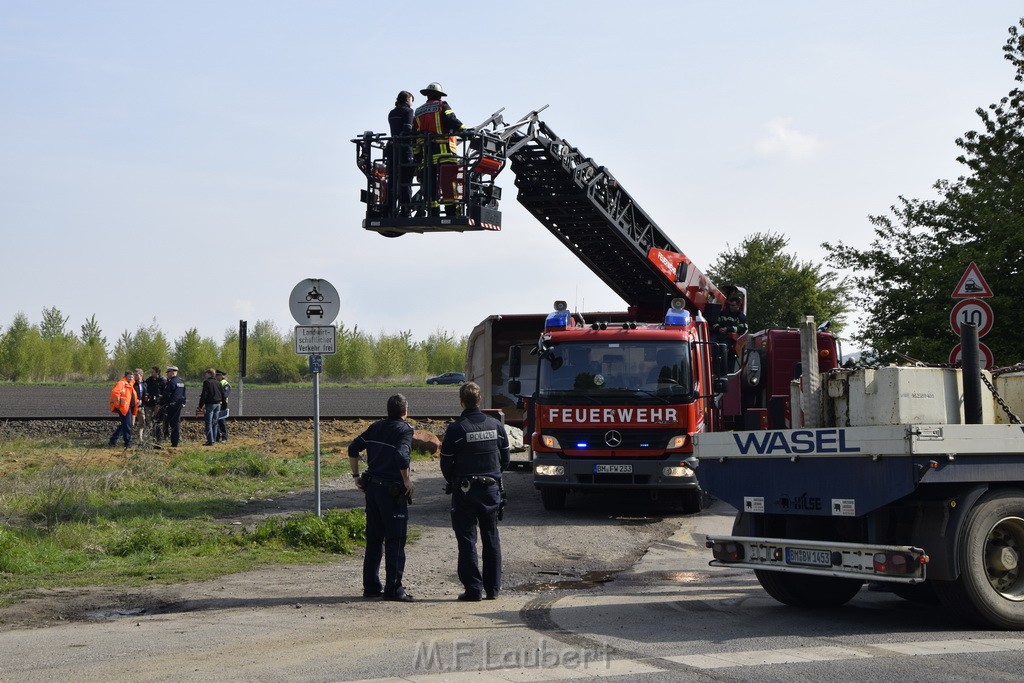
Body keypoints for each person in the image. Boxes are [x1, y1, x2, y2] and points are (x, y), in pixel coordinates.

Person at [440, 382, 510, 601]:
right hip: (491, 489)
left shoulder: (456, 429)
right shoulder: (495, 425)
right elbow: (505, 459)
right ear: (479, 400)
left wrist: (454, 480)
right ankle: (493, 589)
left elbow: (445, 464)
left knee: (467, 539)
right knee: (491, 537)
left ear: (461, 401)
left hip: (465, 491)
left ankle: (473, 590)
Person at [348, 394, 416, 602]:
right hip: (391, 491)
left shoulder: (375, 427)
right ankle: (394, 588)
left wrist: (357, 477)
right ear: (405, 411)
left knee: (374, 539)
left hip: (373, 490)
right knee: (395, 540)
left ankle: (371, 586)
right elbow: (402, 456)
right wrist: (407, 481)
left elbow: (352, 448)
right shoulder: (405, 430)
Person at [413, 82, 466, 216]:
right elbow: (451, 120)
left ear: (427, 95)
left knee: (430, 186)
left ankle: (433, 212)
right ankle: (451, 212)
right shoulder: (442, 106)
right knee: (448, 184)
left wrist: (417, 156)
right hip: (445, 153)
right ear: (439, 96)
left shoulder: (418, 111)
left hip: (427, 155)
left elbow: (415, 134)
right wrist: (464, 130)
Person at [386, 90, 415, 218]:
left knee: (393, 181)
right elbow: (408, 129)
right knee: (406, 182)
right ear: (408, 99)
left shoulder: (392, 113)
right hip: (405, 149)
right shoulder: (408, 111)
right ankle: (405, 211)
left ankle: (390, 210)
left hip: (392, 148)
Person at [108, 370, 137, 448]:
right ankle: (128, 443)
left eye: (132, 376)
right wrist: (118, 405)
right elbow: (115, 393)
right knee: (127, 425)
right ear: (125, 376)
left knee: (126, 425)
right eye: (129, 376)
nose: (131, 378)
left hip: (128, 407)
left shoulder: (130, 384)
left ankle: (113, 440)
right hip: (124, 408)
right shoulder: (121, 383)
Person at [161, 366, 187, 447]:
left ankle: (170, 440)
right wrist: (183, 403)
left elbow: (166, 395)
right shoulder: (181, 382)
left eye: (168, 373)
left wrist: (162, 403)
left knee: (169, 423)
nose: (167, 374)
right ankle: (175, 441)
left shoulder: (171, 382)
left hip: (171, 406)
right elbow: (184, 394)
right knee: (176, 423)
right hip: (178, 406)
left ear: (171, 372)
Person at [198, 368, 224, 446]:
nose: (205, 375)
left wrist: (200, 405)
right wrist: (224, 404)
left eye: (206, 373)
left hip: (210, 404)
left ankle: (210, 441)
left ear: (209, 374)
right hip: (218, 404)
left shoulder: (207, 382)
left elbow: (204, 395)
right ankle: (214, 440)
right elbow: (222, 394)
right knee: (215, 423)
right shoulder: (218, 382)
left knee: (208, 423)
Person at [143, 366, 166, 441]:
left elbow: (165, 392)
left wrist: (161, 399)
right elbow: (145, 389)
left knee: (157, 420)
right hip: (149, 403)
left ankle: (158, 435)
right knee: (148, 419)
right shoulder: (148, 380)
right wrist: (146, 395)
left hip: (157, 403)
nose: (151, 373)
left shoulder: (162, 381)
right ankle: (151, 433)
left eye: (153, 372)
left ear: (157, 372)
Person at [215, 369, 231, 442]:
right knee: (216, 421)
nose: (216, 377)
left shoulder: (225, 384)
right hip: (217, 403)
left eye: (217, 375)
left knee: (221, 420)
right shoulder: (218, 383)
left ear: (221, 376)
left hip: (222, 404)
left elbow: (225, 394)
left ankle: (224, 437)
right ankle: (217, 437)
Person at [132, 368, 147, 442]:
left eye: (136, 375)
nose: (135, 376)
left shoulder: (145, 383)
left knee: (142, 423)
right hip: (133, 407)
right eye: (134, 375)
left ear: (141, 375)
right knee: (131, 423)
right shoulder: (132, 384)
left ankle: (140, 438)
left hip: (141, 406)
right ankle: (129, 439)